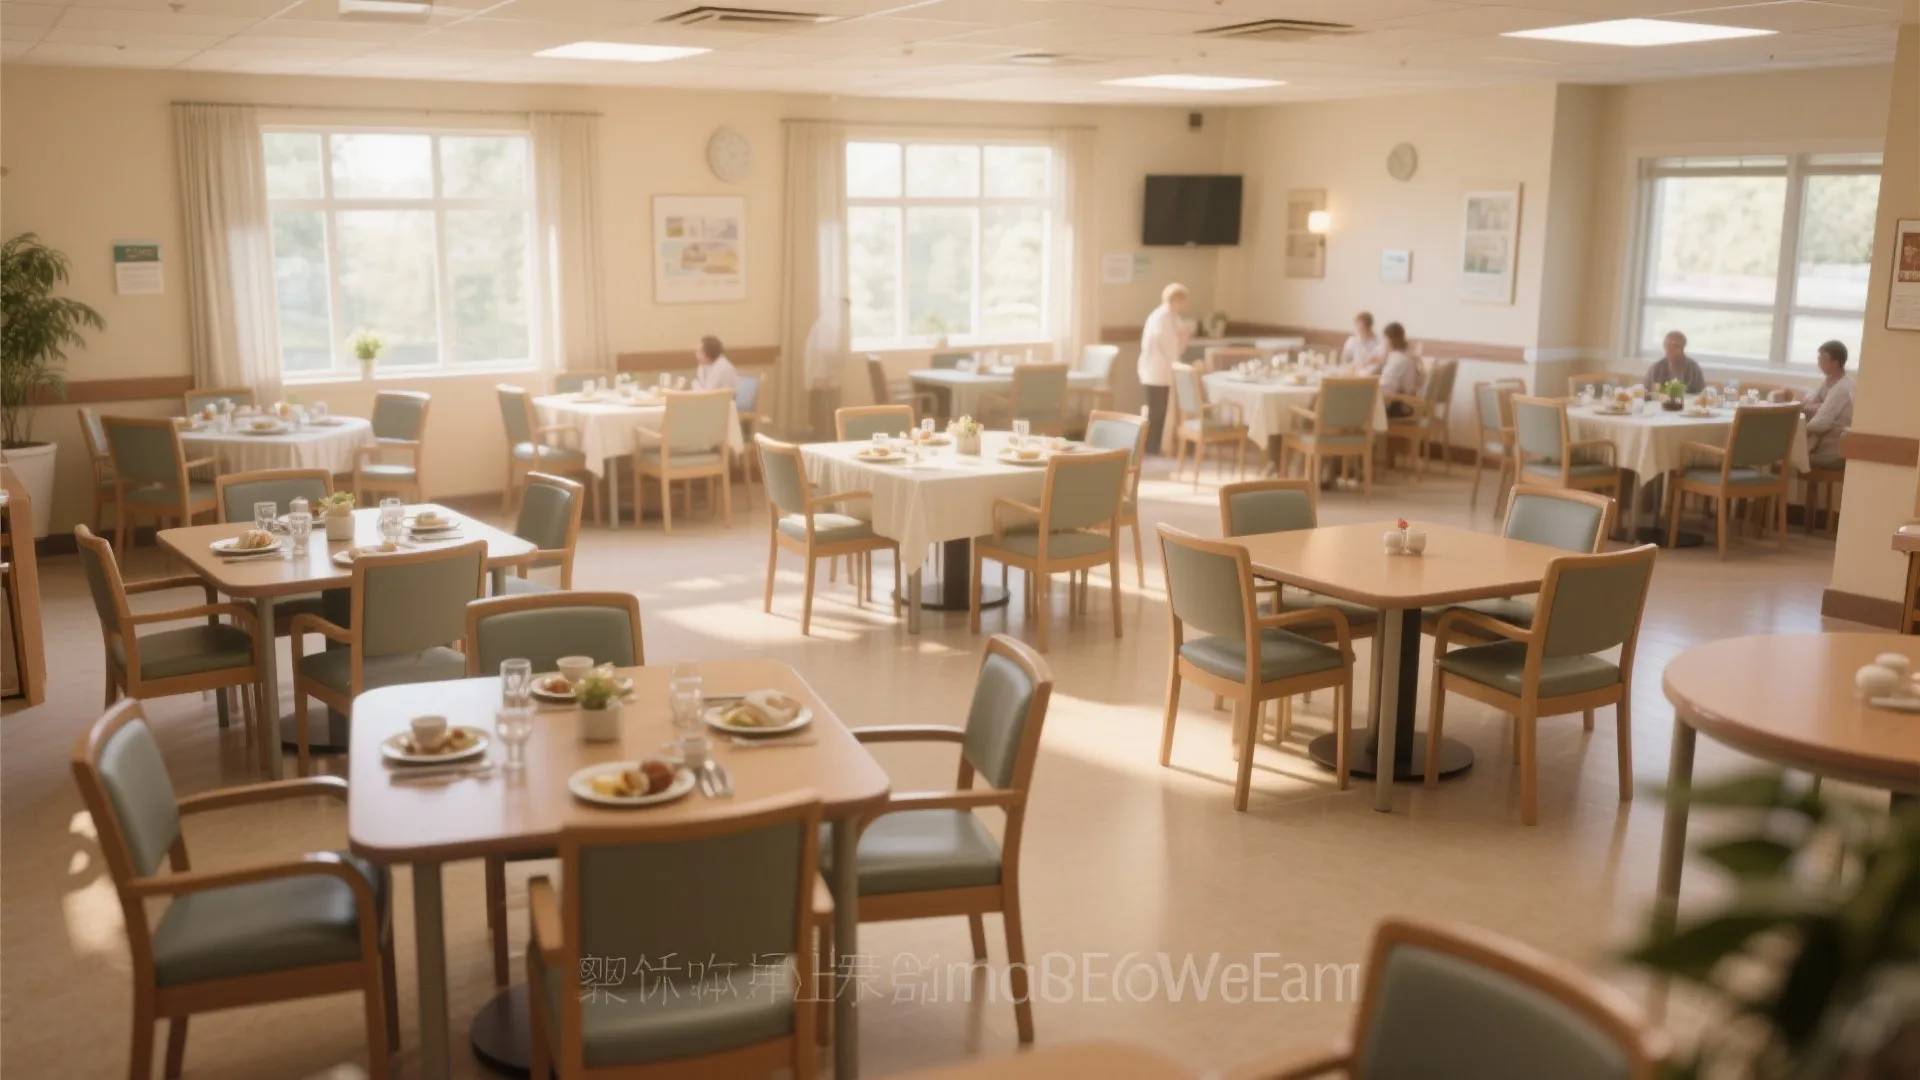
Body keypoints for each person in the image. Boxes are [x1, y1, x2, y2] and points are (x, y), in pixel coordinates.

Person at [1138, 282, 1191, 455]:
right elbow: (1168, 345)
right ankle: (1150, 448)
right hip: (1157, 371)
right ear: (1175, 299)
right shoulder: (1162, 317)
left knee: (1160, 411)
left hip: (1160, 371)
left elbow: (1174, 343)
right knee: (1157, 412)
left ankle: (1155, 446)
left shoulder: (1170, 316)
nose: (1184, 306)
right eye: (1182, 301)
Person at [1803, 339, 1855, 471]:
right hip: (1822, 445)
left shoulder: (1842, 388)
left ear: (1834, 361)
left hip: (1834, 451)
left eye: (1821, 358)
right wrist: (1821, 407)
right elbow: (1808, 402)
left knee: (1789, 459)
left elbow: (1818, 425)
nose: (1818, 362)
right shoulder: (1828, 382)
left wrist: (1815, 410)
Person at [1376, 322, 1422, 417]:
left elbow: (1385, 387)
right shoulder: (1403, 356)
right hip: (1403, 401)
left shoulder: (1398, 359)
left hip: (1398, 406)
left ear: (1389, 340)